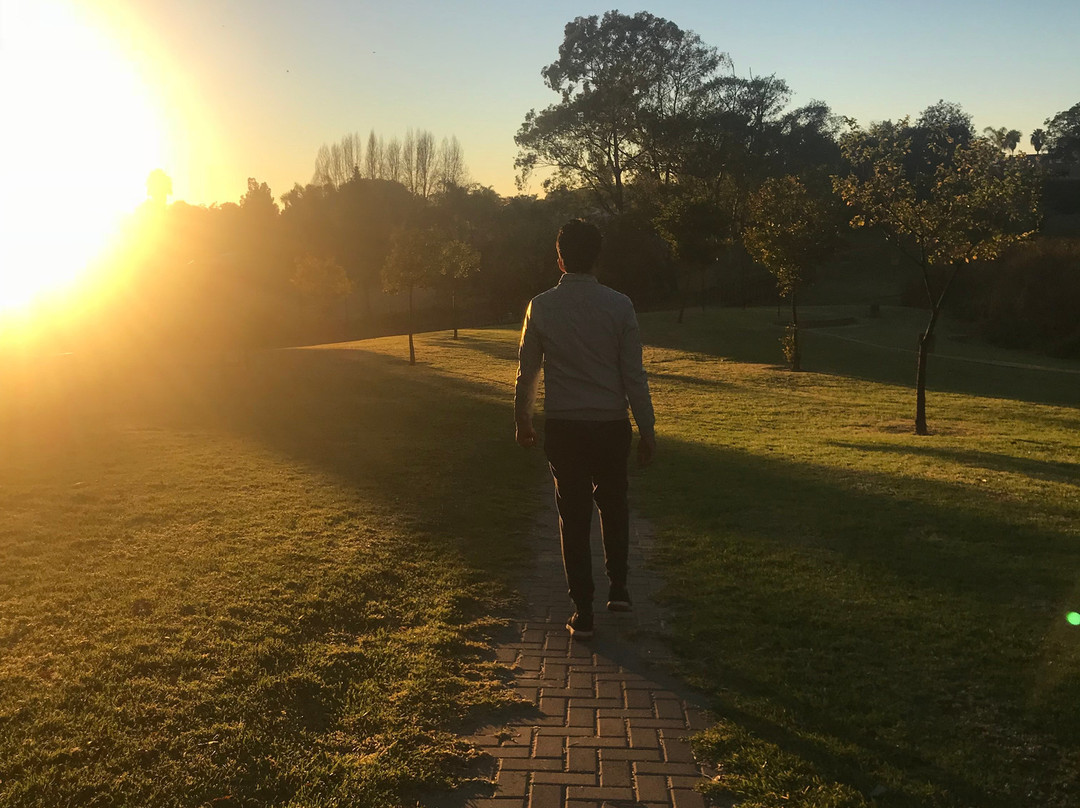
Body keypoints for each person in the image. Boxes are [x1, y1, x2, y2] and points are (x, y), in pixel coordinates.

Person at [514, 219, 656, 639]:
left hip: (565, 426)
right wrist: (647, 429)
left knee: (572, 516)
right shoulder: (620, 306)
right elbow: (634, 375)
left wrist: (522, 419)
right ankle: (620, 587)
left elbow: (527, 372)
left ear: (560, 259)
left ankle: (583, 608)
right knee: (613, 504)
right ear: (597, 258)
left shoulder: (540, 306)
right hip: (611, 424)